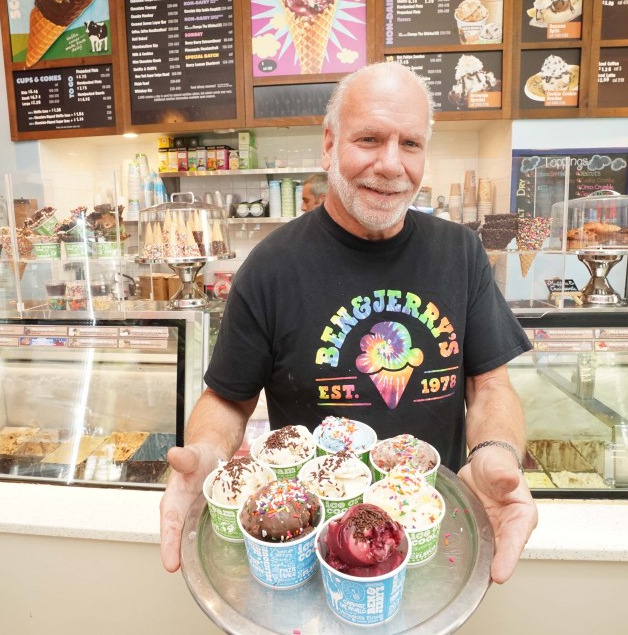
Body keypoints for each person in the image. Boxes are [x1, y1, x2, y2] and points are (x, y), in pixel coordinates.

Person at [159, 61, 537, 584]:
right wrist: (205, 452)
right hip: (309, 545)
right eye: (369, 139)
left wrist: (495, 454)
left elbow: (491, 384)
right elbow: (228, 397)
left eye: (410, 144)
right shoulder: (271, 267)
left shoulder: (461, 253)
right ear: (330, 144)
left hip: (433, 535)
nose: (391, 164)